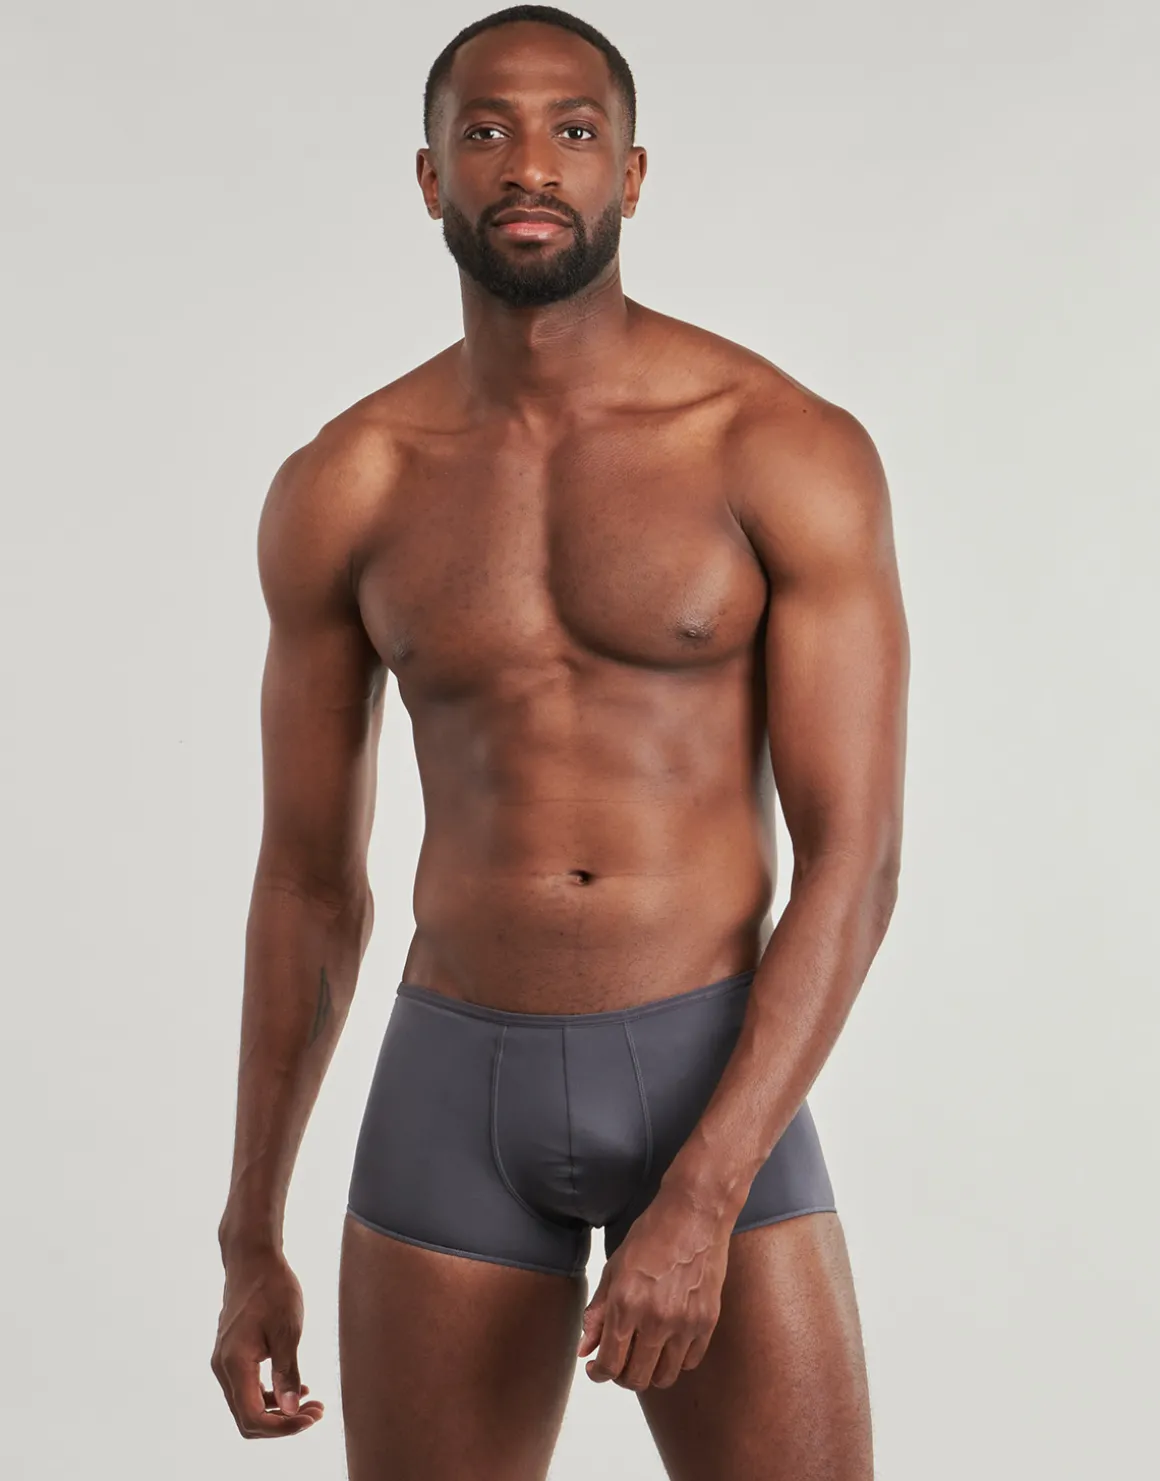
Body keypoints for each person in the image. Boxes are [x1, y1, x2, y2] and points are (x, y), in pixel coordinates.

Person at [210, 6, 909, 1477]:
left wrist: (706, 1196)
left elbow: (857, 858)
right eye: (487, 131)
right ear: (430, 177)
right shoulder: (349, 483)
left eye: (574, 131)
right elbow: (307, 884)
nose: (531, 164)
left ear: (631, 173)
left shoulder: (776, 444)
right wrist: (248, 1229)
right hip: (450, 1088)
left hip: (710, 1076)